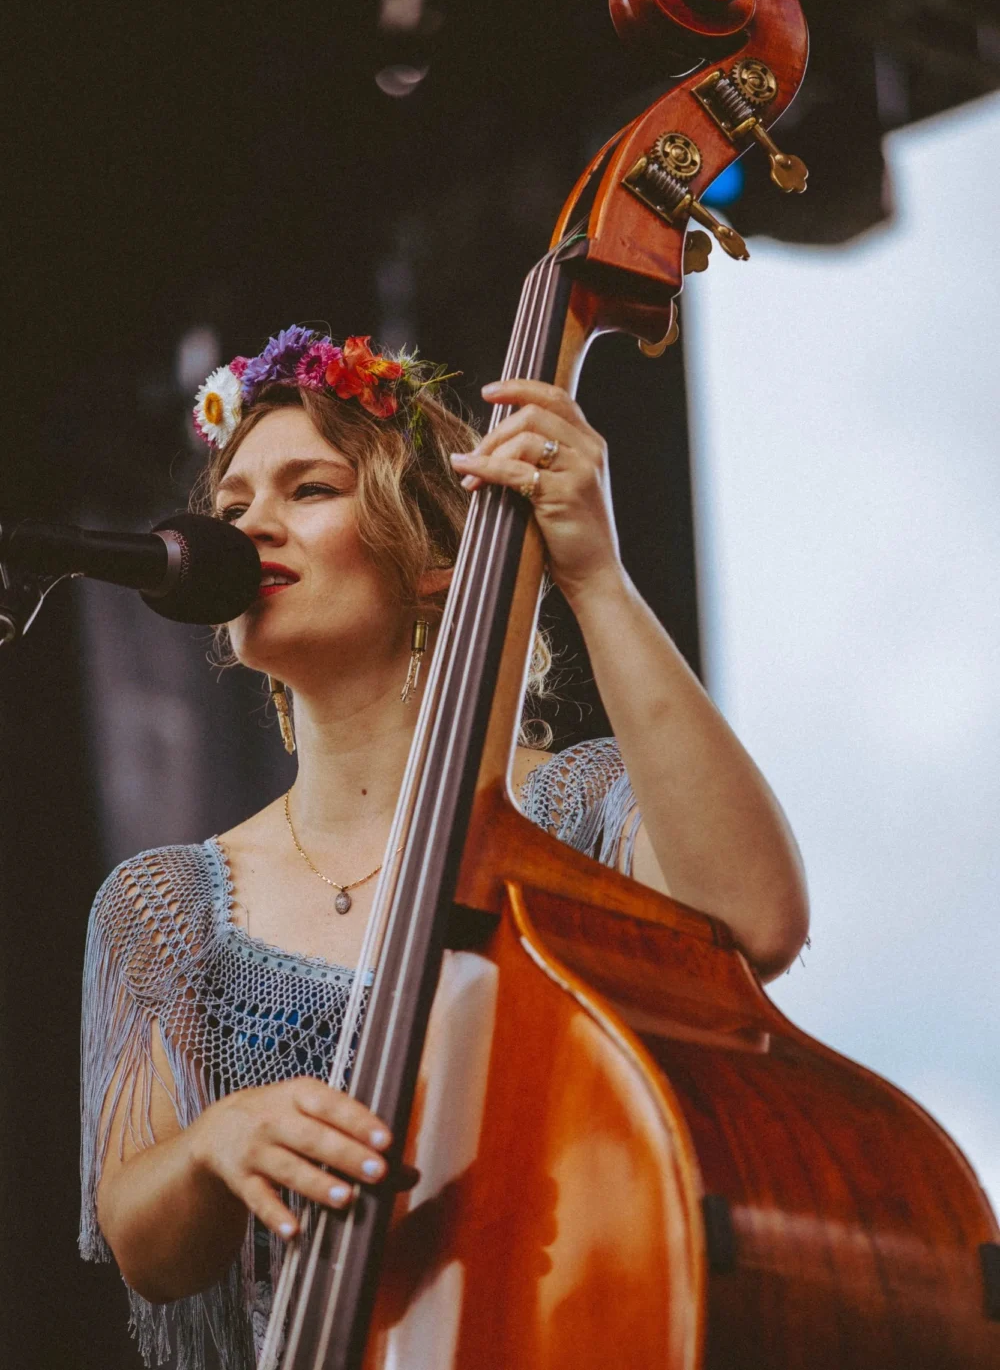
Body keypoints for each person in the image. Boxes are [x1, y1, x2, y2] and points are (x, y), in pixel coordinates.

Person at [80, 325, 809, 1368]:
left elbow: (756, 921)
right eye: (232, 507)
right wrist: (214, 1140)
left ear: (434, 562)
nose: (249, 530)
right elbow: (144, 1246)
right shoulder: (162, 902)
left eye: (309, 491)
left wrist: (593, 572)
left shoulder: (573, 805)